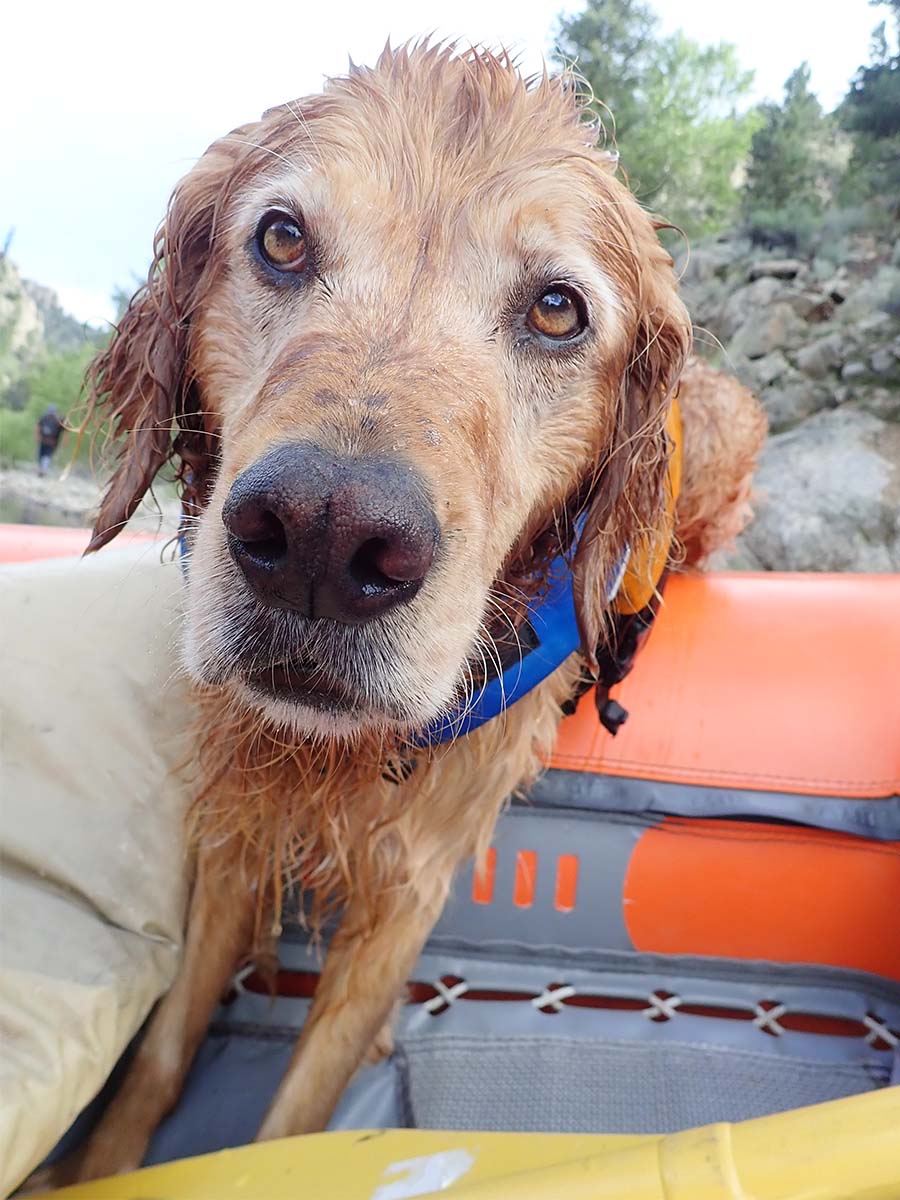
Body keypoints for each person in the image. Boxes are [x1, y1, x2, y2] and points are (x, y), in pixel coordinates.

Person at [36, 405, 64, 475]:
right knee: (44, 456)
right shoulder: (45, 419)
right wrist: (37, 437)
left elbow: (38, 427)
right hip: (46, 441)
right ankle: (42, 469)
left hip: (49, 442)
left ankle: (43, 469)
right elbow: (38, 427)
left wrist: (37, 437)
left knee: (45, 456)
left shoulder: (57, 421)